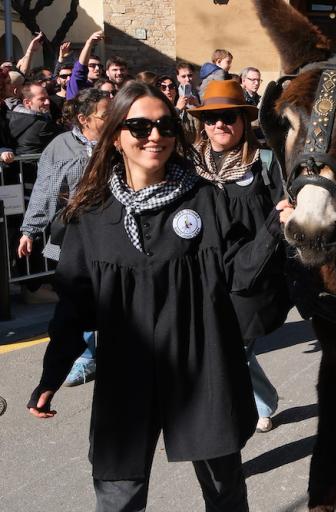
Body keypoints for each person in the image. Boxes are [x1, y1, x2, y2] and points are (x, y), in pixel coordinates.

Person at [27, 80, 283, 511]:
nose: (155, 137)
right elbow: (73, 304)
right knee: (118, 494)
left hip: (203, 368)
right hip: (125, 373)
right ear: (116, 135)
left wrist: (277, 226)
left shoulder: (205, 199)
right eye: (140, 126)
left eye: (165, 126)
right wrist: (52, 375)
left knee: (225, 493)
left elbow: (239, 274)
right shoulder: (93, 213)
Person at [189, 79, 289, 433]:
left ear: (244, 121)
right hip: (205, 275)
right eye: (212, 117)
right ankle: (263, 400)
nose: (221, 124)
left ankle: (235, 419)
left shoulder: (263, 162)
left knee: (231, 352)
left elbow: (283, 208)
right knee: (227, 350)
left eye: (229, 116)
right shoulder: (190, 167)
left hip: (251, 275)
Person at [18, 88, 110, 385]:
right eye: (105, 115)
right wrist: (30, 229)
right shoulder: (60, 147)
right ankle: (84, 357)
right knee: (77, 292)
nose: (113, 120)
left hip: (114, 230)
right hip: (74, 234)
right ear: (83, 119)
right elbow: (45, 191)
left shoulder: (120, 142)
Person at [7, 82, 61, 155]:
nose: (47, 102)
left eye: (48, 98)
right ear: (27, 102)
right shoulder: (42, 125)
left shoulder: (10, 117)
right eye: (42, 99)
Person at [66, 30, 104, 100]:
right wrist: (89, 43)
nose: (97, 68)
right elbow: (80, 69)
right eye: (92, 65)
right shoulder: (77, 84)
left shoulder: (103, 86)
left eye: (100, 66)